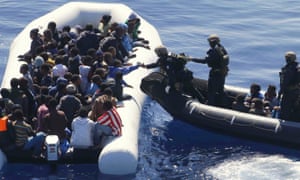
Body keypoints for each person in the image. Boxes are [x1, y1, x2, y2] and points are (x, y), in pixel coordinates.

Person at [190, 34, 229, 107]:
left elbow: (205, 61)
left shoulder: (214, 51)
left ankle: (210, 106)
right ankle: (225, 104)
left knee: (211, 91)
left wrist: (192, 59)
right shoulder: (222, 48)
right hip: (222, 72)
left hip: (215, 73)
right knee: (220, 89)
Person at [278, 51, 300, 121]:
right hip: (297, 92)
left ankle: (285, 124)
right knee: (296, 108)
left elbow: (284, 83)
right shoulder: (298, 67)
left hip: (289, 93)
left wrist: (279, 94)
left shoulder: (288, 69)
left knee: (285, 109)